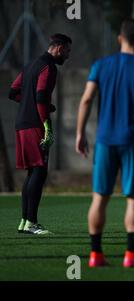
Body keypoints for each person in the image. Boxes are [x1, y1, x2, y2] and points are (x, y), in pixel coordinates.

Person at [76, 18, 134, 268]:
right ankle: (131, 254)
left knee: (99, 197)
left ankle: (95, 255)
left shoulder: (100, 65)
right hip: (132, 140)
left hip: (105, 140)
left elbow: (86, 100)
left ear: (120, 38)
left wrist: (80, 133)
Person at [8, 34, 72, 235]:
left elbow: (13, 91)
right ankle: (32, 223)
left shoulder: (30, 65)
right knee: (40, 171)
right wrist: (47, 125)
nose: (68, 56)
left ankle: (24, 222)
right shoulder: (48, 67)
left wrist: (32, 104)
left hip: (21, 123)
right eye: (68, 51)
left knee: (33, 172)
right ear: (59, 48)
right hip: (36, 124)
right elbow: (41, 95)